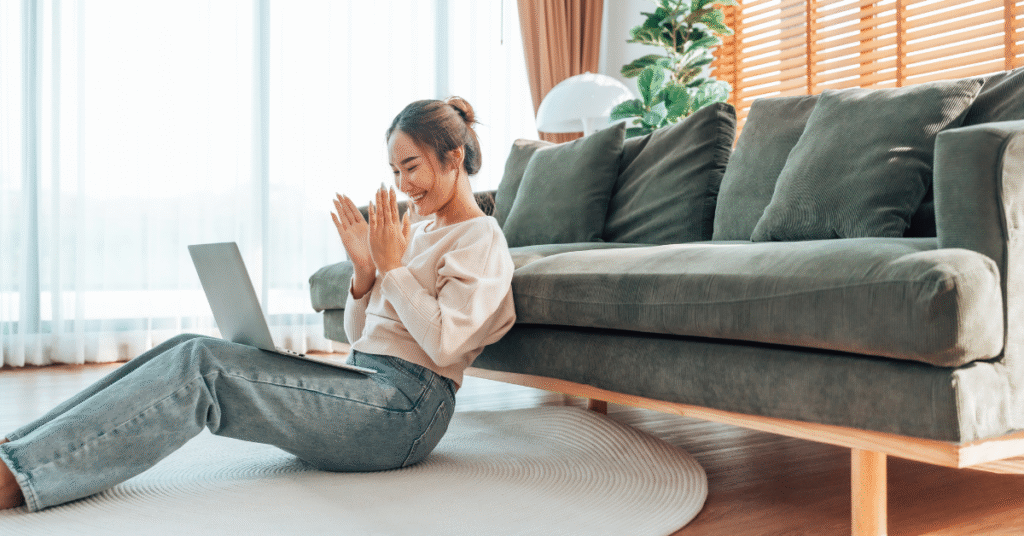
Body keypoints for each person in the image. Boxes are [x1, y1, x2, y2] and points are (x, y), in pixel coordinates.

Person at [0, 96, 516, 512]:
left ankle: (20, 475)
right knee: (188, 345)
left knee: (203, 368)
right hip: (365, 379)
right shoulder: (416, 229)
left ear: (454, 158)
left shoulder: (481, 239)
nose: (402, 185)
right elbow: (362, 337)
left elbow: (444, 344)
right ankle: (17, 449)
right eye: (395, 170)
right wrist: (365, 273)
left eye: (411, 167)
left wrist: (393, 268)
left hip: (406, 411)